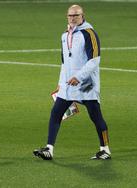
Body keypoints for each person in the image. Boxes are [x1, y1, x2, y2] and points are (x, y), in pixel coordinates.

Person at [33, 4, 111, 160]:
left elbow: (95, 60)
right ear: (67, 17)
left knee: (95, 116)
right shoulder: (65, 35)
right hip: (68, 85)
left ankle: (105, 149)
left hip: (87, 84)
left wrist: (79, 77)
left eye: (76, 15)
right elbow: (65, 63)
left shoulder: (89, 34)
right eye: (70, 15)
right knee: (56, 113)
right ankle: (49, 149)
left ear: (83, 16)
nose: (73, 18)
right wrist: (61, 83)